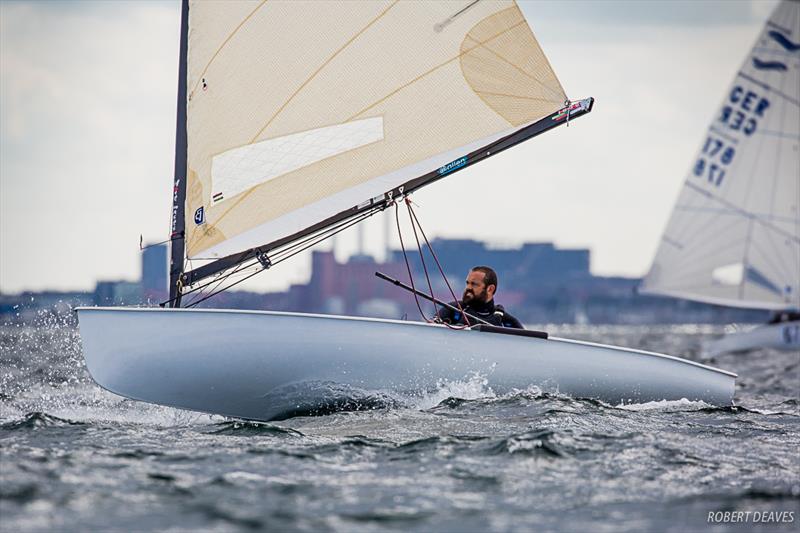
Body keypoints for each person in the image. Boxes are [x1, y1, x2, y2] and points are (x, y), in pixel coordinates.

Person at [436, 266, 523, 329]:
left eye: (474, 284)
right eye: (467, 283)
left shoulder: (508, 322)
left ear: (490, 289)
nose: (468, 287)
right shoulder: (452, 310)